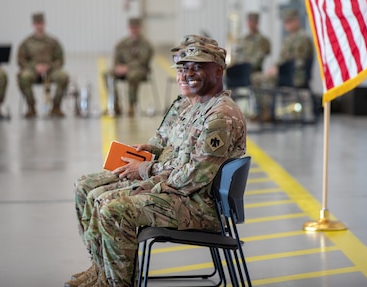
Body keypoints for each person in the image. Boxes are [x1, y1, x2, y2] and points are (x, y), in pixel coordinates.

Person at [72, 41, 246, 287]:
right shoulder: (195, 105)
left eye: (198, 67)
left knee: (110, 206)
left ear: (218, 71)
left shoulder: (219, 116)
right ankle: (103, 271)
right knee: (91, 191)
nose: (188, 74)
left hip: (200, 204)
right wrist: (150, 156)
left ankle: (114, 282)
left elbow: (194, 177)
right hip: (181, 191)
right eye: (185, 68)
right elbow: (176, 151)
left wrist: (147, 174)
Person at [253, 9, 314, 121]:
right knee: (255, 78)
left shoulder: (302, 38)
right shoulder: (289, 39)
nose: (286, 24)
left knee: (266, 80)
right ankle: (262, 111)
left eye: (289, 21)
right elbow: (282, 59)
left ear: (297, 21)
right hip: (284, 73)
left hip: (295, 76)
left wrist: (278, 69)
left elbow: (299, 62)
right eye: (285, 22)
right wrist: (274, 68)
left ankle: (268, 113)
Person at [17, 12, 69, 118]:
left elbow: (60, 59)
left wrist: (49, 66)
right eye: (36, 23)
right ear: (33, 25)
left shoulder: (53, 41)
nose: (39, 26)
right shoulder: (26, 43)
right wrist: (34, 67)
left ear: (44, 24)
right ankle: (31, 107)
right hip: (33, 71)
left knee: (63, 76)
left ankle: (56, 107)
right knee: (23, 77)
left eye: (41, 23)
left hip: (50, 70)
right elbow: (21, 60)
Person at [105, 17, 153, 117]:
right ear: (128, 28)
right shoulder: (121, 44)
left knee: (132, 75)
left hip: (140, 71)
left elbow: (143, 62)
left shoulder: (146, 44)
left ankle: (131, 105)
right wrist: (117, 67)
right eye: (132, 27)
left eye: (136, 27)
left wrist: (127, 67)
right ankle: (114, 103)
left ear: (140, 28)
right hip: (123, 70)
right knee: (108, 74)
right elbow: (116, 59)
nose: (133, 30)